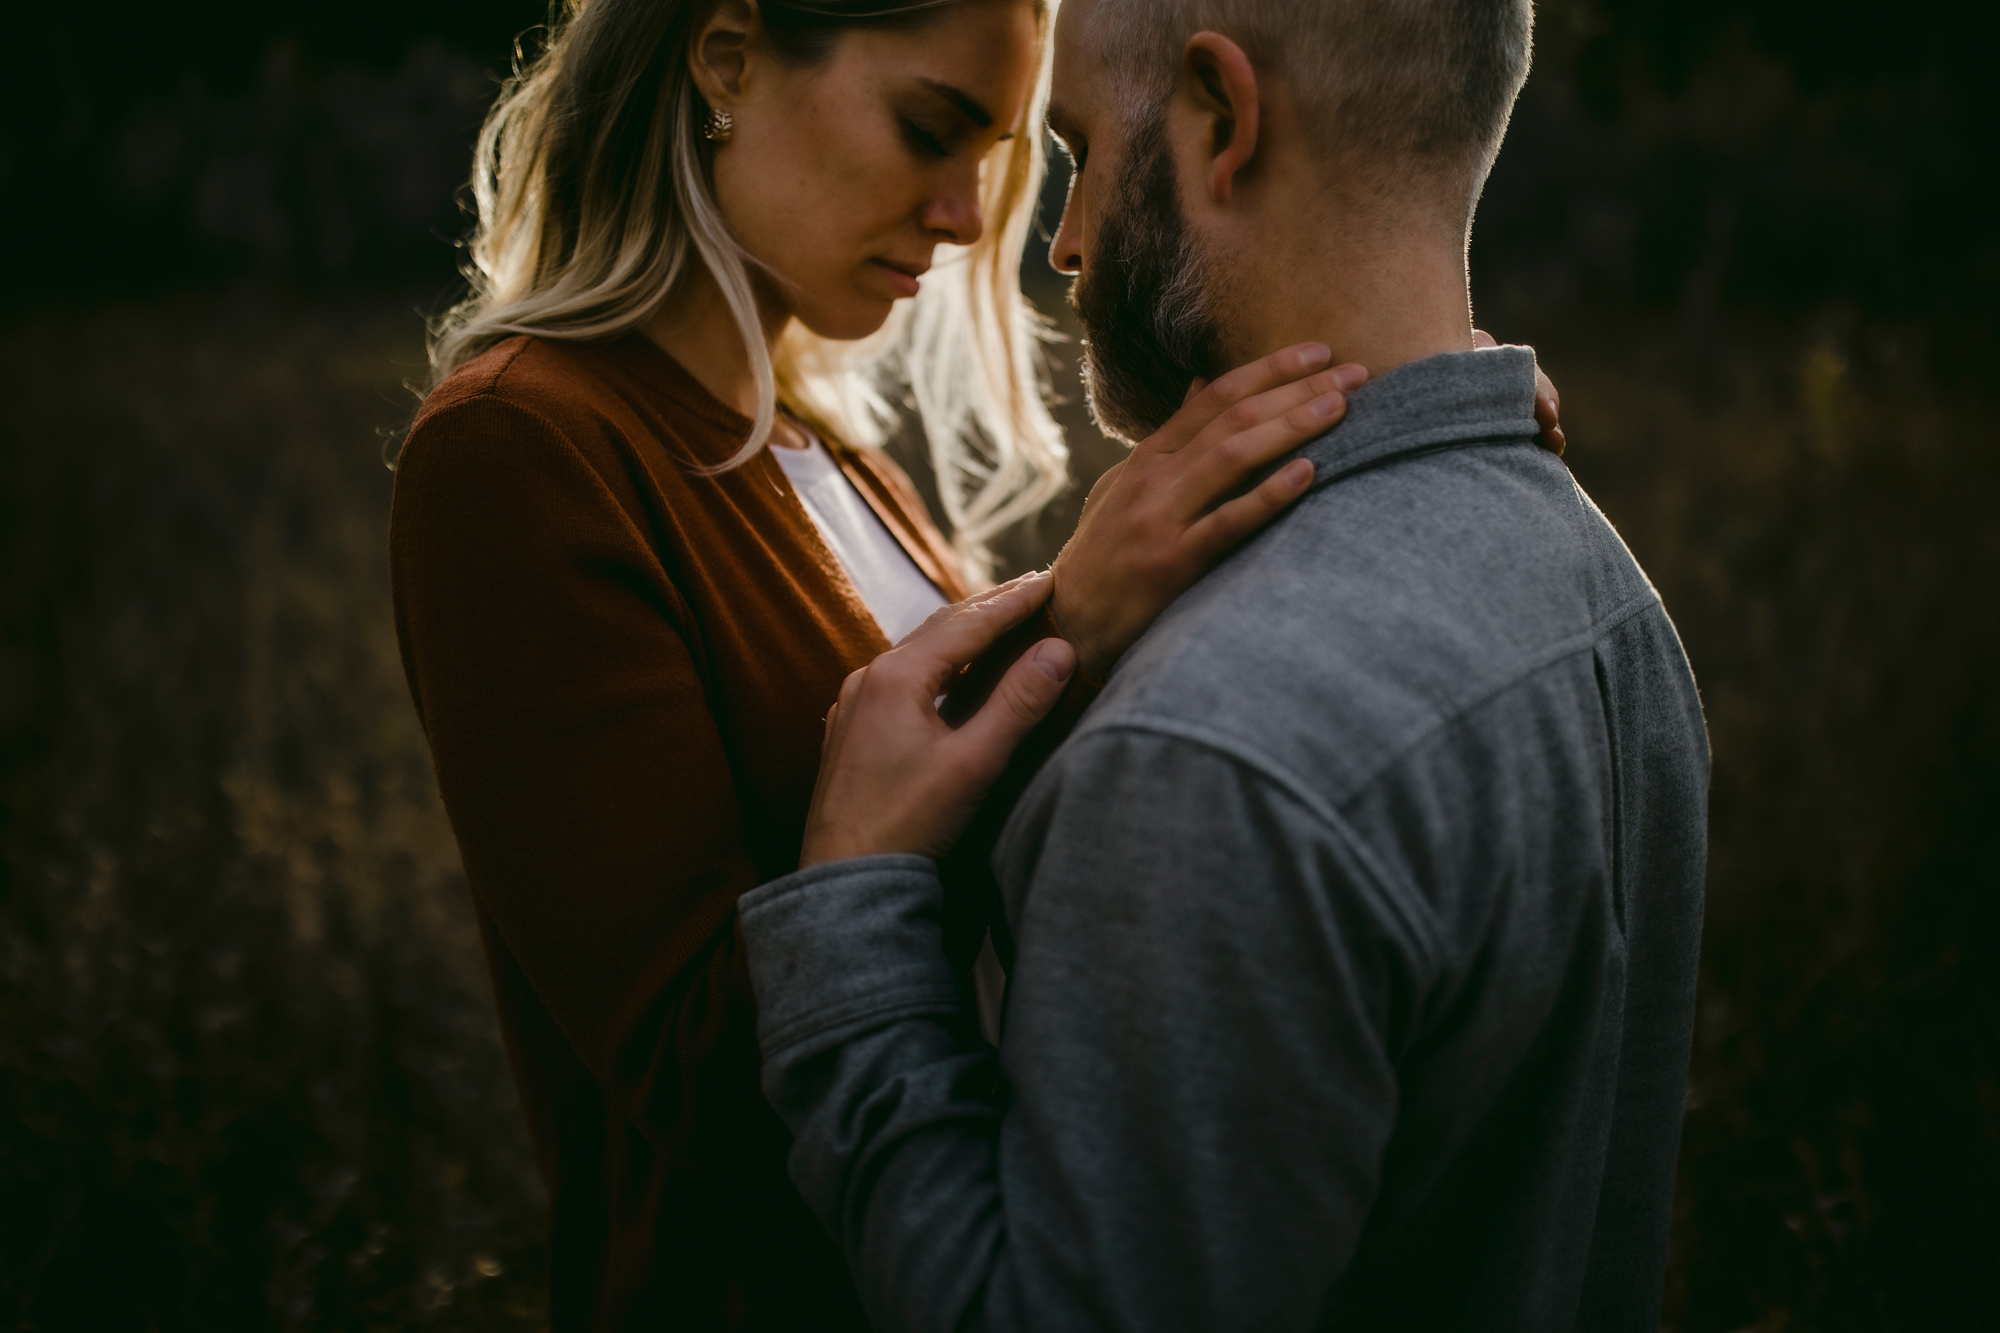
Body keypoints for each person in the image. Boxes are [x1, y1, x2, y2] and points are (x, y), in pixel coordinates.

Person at [389, 0, 1567, 1326]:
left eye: (1002, 155)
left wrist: (1396, 423)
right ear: (726, 57)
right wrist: (1070, 615)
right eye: (927, 128)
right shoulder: (520, 453)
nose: (965, 217)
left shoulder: (833, 460)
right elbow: (693, 1085)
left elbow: (1010, 843)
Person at [736, 0, 1709, 1329]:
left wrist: (853, 906)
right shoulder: (1602, 589)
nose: (1064, 242)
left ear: (1221, 118)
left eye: (1077, 155)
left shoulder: (1205, 758)